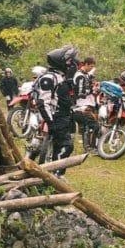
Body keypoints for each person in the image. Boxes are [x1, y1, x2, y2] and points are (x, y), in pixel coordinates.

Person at [35, 45, 79, 176]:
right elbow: (43, 102)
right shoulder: (49, 78)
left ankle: (54, 175)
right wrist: (50, 123)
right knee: (66, 147)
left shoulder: (62, 77)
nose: (71, 64)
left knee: (59, 147)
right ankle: (56, 176)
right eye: (69, 61)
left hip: (65, 117)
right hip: (56, 117)